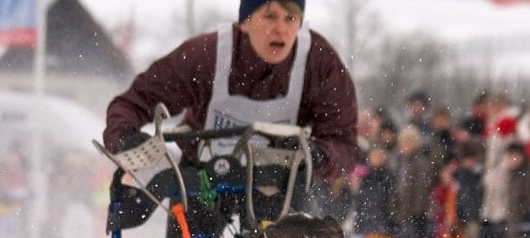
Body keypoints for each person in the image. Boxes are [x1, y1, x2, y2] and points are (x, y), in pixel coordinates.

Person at [103, 0, 357, 183]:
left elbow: (343, 141)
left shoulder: (319, 63)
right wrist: (125, 137)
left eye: (290, 18)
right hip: (204, 176)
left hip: (280, 184)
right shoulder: (206, 56)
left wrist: (319, 156)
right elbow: (134, 102)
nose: (281, 29)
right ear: (245, 23)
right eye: (270, 16)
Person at [353, 144, 399, 238]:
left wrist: (389, 220)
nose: (376, 159)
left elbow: (393, 202)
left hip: (385, 223)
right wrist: (359, 221)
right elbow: (361, 202)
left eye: (379, 156)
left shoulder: (389, 177)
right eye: (374, 156)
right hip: (370, 223)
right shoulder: (366, 178)